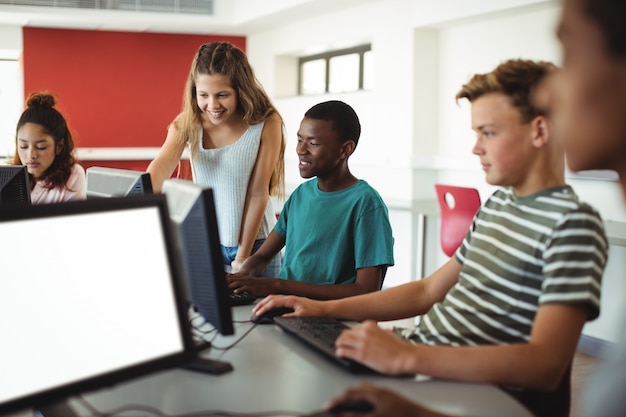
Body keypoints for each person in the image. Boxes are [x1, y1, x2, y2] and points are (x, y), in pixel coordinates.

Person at [253, 59, 608, 417]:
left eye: (488, 132)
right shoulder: (500, 205)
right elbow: (427, 291)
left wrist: (407, 356)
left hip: (463, 387)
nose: (476, 148)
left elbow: (546, 366)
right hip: (426, 361)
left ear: (539, 132)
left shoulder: (572, 223)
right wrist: (319, 309)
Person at [227, 100, 394, 300]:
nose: (301, 150)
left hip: (331, 319)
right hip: (287, 309)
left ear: (345, 149)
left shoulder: (366, 203)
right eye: (299, 140)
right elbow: (262, 257)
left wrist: (279, 286)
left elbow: (365, 291)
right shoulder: (300, 195)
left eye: (313, 143)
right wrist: (238, 278)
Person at [147, 42, 285, 276]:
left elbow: (258, 192)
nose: (212, 105)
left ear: (241, 90)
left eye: (222, 95)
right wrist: (137, 198)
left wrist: (242, 256)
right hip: (207, 242)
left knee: (256, 313)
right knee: (207, 312)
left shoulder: (266, 123)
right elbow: (161, 166)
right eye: (203, 95)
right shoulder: (187, 122)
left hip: (257, 245)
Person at [7, 92, 86, 204]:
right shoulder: (8, 177)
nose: (31, 155)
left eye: (41, 147)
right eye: (23, 146)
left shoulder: (72, 174)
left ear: (59, 146)